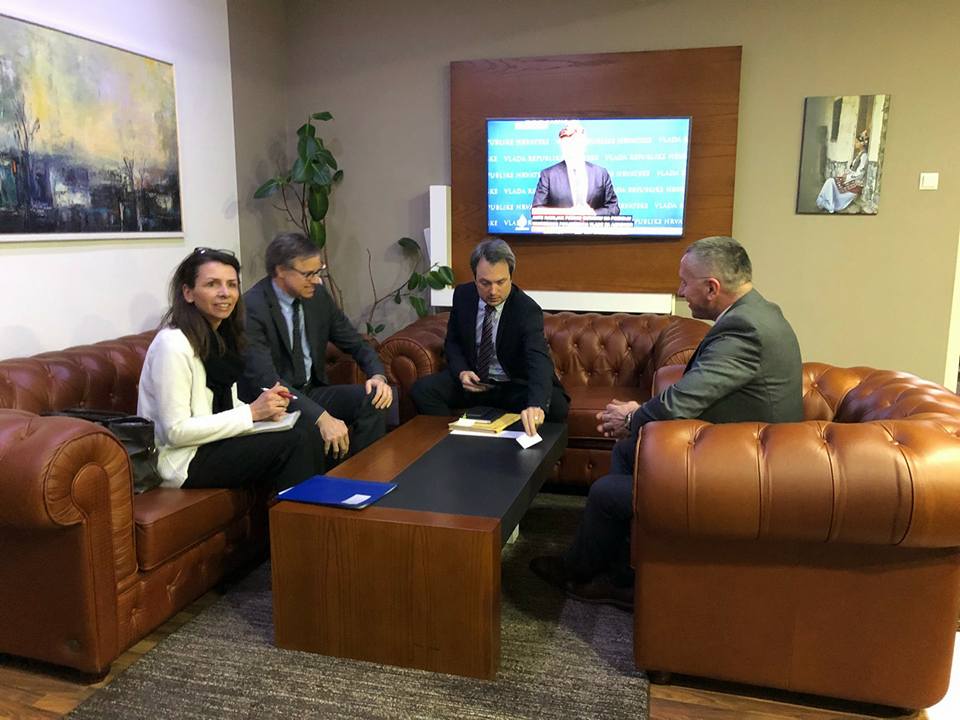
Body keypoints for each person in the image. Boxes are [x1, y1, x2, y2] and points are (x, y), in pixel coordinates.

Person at [530, 236, 803, 609]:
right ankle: (624, 569)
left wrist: (632, 417)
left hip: (749, 471)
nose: (680, 291)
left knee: (607, 493)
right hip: (742, 447)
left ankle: (580, 572)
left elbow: (686, 398)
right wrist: (637, 417)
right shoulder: (757, 312)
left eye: (685, 282)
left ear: (712, 288)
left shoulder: (745, 330)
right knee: (627, 451)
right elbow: (699, 390)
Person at [138, 247, 319, 493]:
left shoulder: (222, 337)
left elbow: (224, 408)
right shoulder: (172, 344)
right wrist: (252, 413)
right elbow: (175, 432)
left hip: (215, 443)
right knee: (294, 442)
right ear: (188, 293)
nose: (225, 293)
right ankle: (295, 517)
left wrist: (265, 410)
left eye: (232, 285)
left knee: (307, 428)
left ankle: (310, 512)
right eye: (212, 284)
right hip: (181, 459)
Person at [240, 232, 391, 465]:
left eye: (318, 271)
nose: (316, 280)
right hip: (274, 402)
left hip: (312, 390)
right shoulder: (252, 307)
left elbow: (356, 342)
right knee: (310, 429)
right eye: (308, 274)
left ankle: (364, 474)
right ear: (281, 271)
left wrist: (378, 376)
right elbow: (265, 378)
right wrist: (321, 417)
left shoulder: (317, 296)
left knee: (374, 399)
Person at [410, 237, 569, 436]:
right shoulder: (463, 296)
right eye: (485, 283)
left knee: (556, 405)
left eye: (500, 282)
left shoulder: (526, 310)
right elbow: (453, 343)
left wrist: (536, 405)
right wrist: (462, 372)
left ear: (511, 276)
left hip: (512, 386)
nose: (493, 291)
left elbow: (538, 358)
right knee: (423, 390)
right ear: (475, 277)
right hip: (475, 384)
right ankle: (447, 441)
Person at [531, 121, 620, 216]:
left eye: (574, 143)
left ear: (584, 143)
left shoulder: (600, 173)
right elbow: (537, 210)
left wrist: (592, 213)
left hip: (593, 225)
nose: (571, 148)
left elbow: (614, 208)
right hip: (560, 226)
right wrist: (570, 213)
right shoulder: (548, 175)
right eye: (566, 144)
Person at [816, 130, 869, 213]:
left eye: (857, 142)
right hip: (851, 179)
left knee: (831, 182)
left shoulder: (864, 156)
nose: (855, 143)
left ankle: (830, 204)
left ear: (862, 144)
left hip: (856, 183)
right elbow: (852, 169)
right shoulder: (859, 154)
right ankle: (823, 202)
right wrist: (846, 173)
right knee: (830, 181)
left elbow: (860, 174)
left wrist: (848, 177)